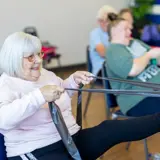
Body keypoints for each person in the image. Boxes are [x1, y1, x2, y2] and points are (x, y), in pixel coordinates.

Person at [0, 32, 160, 160]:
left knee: (110, 128)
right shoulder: (6, 84)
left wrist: (72, 82)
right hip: (37, 149)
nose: (38, 61)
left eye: (39, 54)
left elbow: (61, 94)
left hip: (71, 139)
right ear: (13, 58)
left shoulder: (44, 74)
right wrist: (39, 96)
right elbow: (3, 120)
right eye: (30, 57)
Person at [106, 13, 160, 117]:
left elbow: (157, 58)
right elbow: (132, 69)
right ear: (115, 31)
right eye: (126, 29)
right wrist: (148, 56)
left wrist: (152, 57)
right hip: (138, 99)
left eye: (130, 29)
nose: (130, 32)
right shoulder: (114, 50)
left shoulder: (134, 42)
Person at [89, 5, 117, 77]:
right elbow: (103, 53)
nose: (104, 24)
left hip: (116, 66)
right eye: (101, 20)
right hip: (101, 70)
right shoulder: (95, 33)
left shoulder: (116, 32)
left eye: (107, 20)